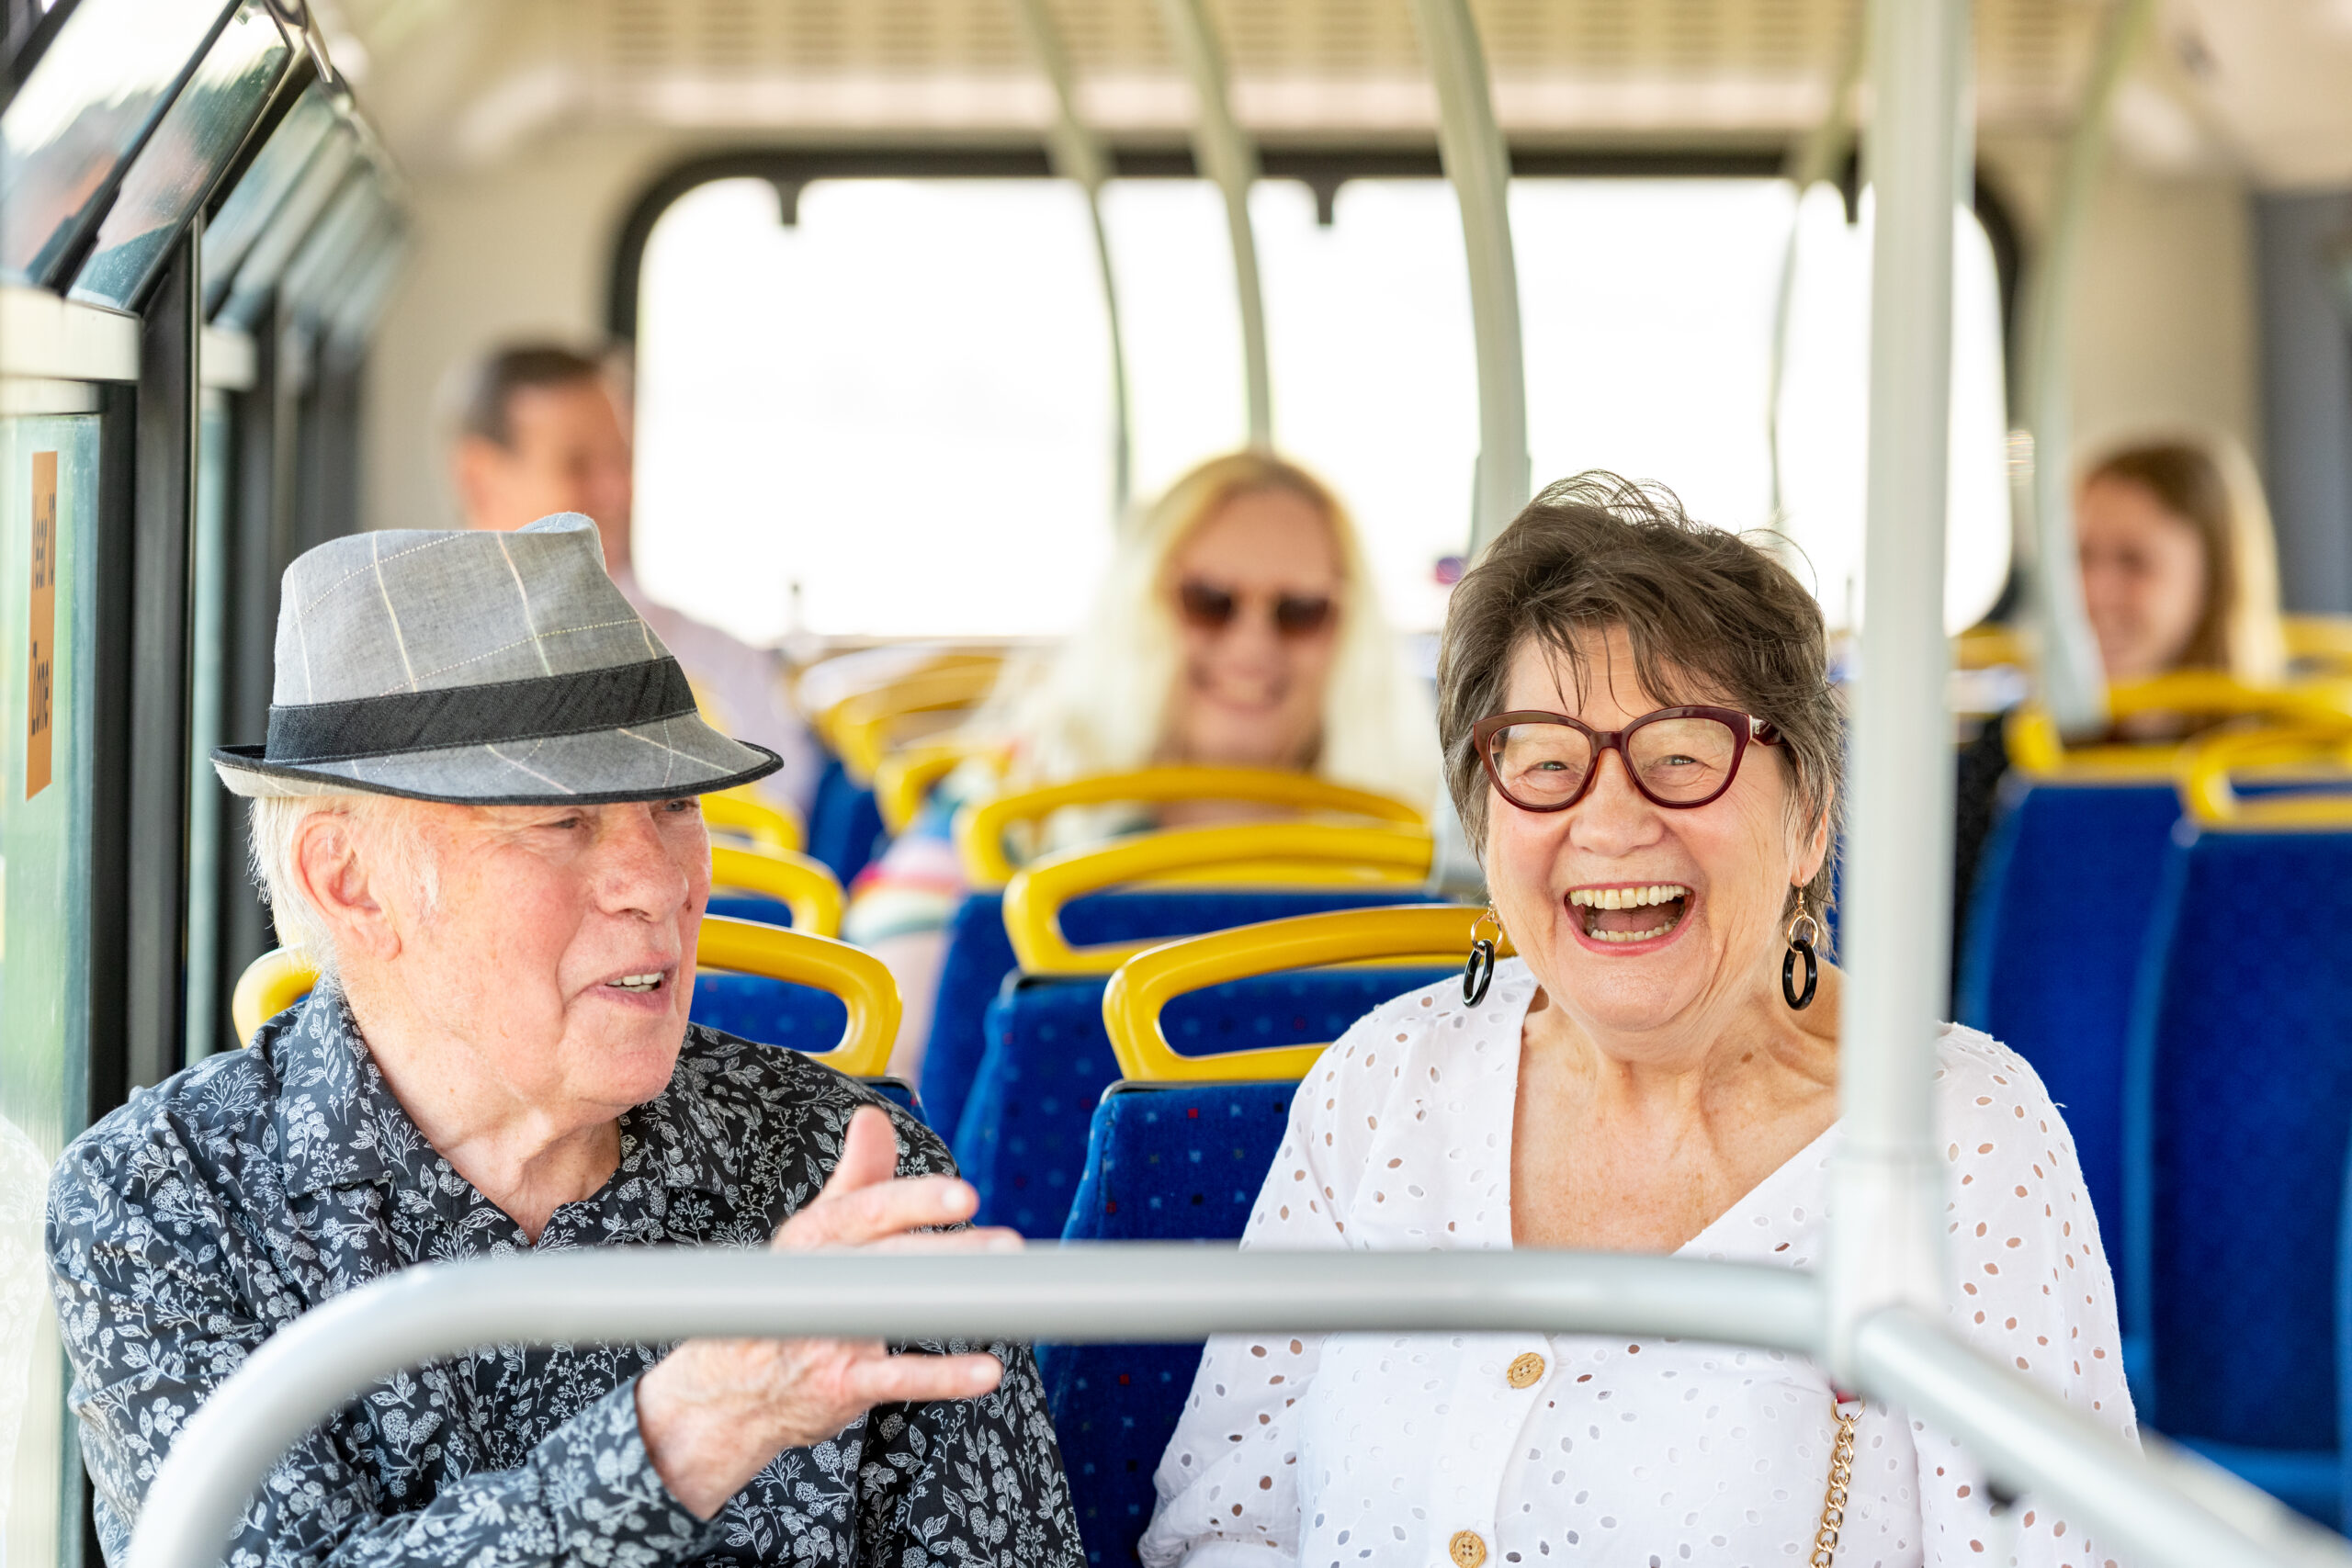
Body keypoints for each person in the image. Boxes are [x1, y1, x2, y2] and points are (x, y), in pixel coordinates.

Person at [45, 515, 1081, 1565]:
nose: (661, 881)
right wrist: (691, 1430)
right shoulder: (166, 1202)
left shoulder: (844, 1173)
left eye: (675, 802)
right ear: (348, 881)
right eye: (558, 819)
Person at [1141, 474, 2134, 1568]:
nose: (1609, 824)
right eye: (1548, 763)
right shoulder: (1381, 1083)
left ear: (1806, 819)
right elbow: (1220, 1528)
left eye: (1679, 757)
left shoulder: (1961, 1134)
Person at [844, 450, 1437, 1077]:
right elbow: (898, 1045)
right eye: (1209, 600)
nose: (1253, 645)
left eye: (1299, 612)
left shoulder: (1421, 839)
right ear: (1139, 606)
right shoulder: (1009, 804)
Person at [1951, 430, 2287, 956]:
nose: (2094, 592)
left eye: (2134, 562)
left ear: (2212, 580)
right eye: (2079, 558)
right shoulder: (2020, 746)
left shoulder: (2283, 764)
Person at [450, 342, 823, 815]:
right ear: (479, 478)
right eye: (578, 465)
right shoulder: (412, 673)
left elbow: (784, 819)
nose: (618, 491)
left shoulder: (721, 661)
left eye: (622, 460)